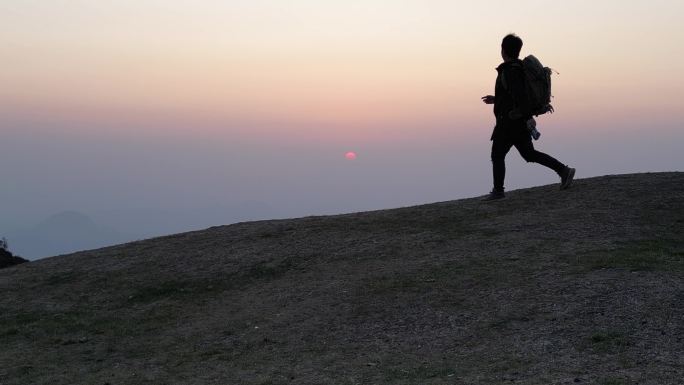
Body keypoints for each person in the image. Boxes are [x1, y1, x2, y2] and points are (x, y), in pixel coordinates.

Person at [481, 33, 575, 201]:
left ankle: (498, 191)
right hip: (518, 122)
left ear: (503, 50)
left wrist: (526, 118)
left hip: (510, 122)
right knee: (529, 154)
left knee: (497, 154)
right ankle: (563, 170)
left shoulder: (510, 71)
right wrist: (496, 99)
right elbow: (514, 95)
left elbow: (520, 97)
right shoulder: (517, 69)